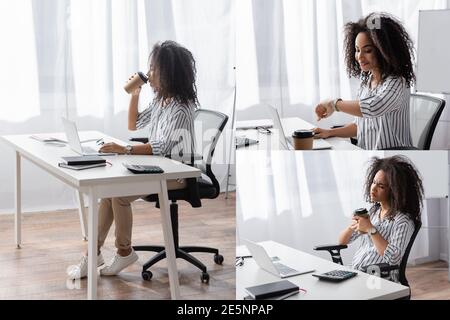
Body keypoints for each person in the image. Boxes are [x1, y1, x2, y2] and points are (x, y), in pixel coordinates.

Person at [67, 40, 198, 279]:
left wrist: (125, 150)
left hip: (178, 174)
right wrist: (135, 94)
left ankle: (124, 252)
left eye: (154, 69)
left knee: (120, 194)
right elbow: (133, 124)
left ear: (168, 73)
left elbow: (163, 146)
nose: (149, 74)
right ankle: (92, 253)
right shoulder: (161, 101)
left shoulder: (181, 107)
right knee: (108, 191)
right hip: (159, 167)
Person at [314, 13, 416, 150]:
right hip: (368, 155)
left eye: (367, 50)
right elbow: (360, 126)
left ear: (384, 50)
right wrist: (329, 132)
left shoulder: (398, 82)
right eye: (357, 50)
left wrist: (335, 104)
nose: (359, 56)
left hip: (392, 158)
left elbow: (373, 107)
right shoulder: (367, 82)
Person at [338, 155, 424, 283]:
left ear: (395, 191)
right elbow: (342, 242)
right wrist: (354, 225)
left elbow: (394, 259)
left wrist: (371, 229)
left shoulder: (403, 221)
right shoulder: (373, 213)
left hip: (379, 280)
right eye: (373, 182)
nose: (373, 188)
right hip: (356, 273)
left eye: (381, 186)